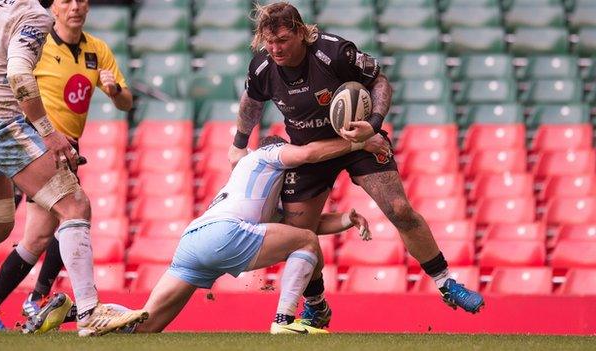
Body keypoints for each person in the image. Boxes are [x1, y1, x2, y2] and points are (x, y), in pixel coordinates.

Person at [227, 2, 484, 329]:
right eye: (269, 41)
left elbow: (380, 82)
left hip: (359, 140)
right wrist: (238, 145)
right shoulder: (262, 67)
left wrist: (374, 124)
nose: (275, 48)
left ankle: (447, 283)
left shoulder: (335, 53)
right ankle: (317, 306)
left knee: (399, 208)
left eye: (283, 40)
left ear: (302, 34)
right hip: (309, 150)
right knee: (298, 235)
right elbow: (251, 101)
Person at [26, 134, 387, 334]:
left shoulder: (256, 188)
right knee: (306, 244)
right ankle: (284, 323)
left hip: (194, 238)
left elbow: (298, 226)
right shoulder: (269, 154)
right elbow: (308, 154)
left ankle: (75, 312)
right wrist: (358, 144)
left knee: (145, 325)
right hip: (224, 233)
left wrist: (345, 220)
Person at [0, 0, 146, 336]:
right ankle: (89, 311)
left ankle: (17, 302)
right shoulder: (34, 17)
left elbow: (126, 99)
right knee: (75, 205)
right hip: (3, 126)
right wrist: (48, 133)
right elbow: (19, 75)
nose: (76, 6)